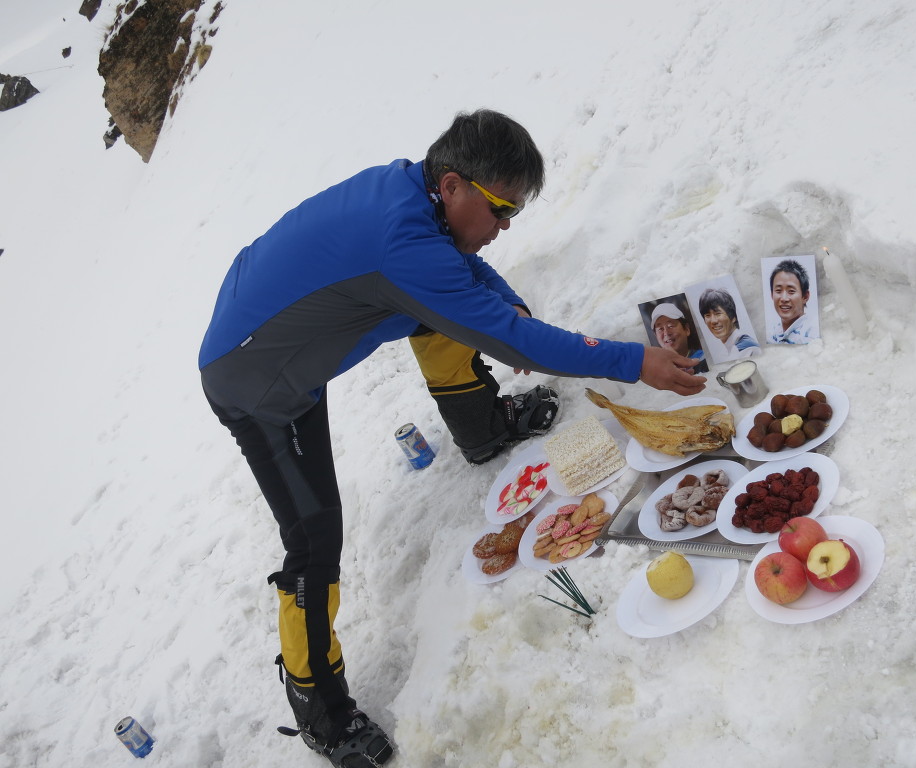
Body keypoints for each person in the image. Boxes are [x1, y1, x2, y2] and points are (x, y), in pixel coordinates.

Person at [198, 109, 706, 767]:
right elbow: (500, 329)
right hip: (256, 384)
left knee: (439, 311)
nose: (503, 228)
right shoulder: (400, 241)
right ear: (453, 186)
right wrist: (635, 361)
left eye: (513, 215)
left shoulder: (412, 195)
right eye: (501, 210)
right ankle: (320, 710)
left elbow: (462, 275)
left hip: (274, 328)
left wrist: (508, 307)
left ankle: (483, 430)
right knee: (314, 539)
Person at [698, 287, 760, 358]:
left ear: (733, 317)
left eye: (718, 313)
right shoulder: (735, 346)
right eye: (708, 315)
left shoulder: (743, 349)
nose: (713, 321)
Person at [768, 258, 817, 344]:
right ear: (772, 295)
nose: (784, 298)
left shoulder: (812, 338)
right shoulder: (772, 335)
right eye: (778, 291)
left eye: (791, 291)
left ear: (805, 296)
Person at [649, 302, 708, 373]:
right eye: (660, 329)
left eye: (670, 326)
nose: (666, 333)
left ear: (686, 329)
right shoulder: (657, 371)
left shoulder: (704, 359)